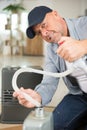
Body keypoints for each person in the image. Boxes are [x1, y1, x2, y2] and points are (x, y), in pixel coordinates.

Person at [13, 6, 87, 130]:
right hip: (79, 95)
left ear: (56, 14)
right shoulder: (51, 50)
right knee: (53, 126)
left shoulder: (84, 24)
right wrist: (37, 97)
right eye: (39, 33)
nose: (44, 34)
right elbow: (49, 83)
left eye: (44, 25)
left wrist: (83, 45)